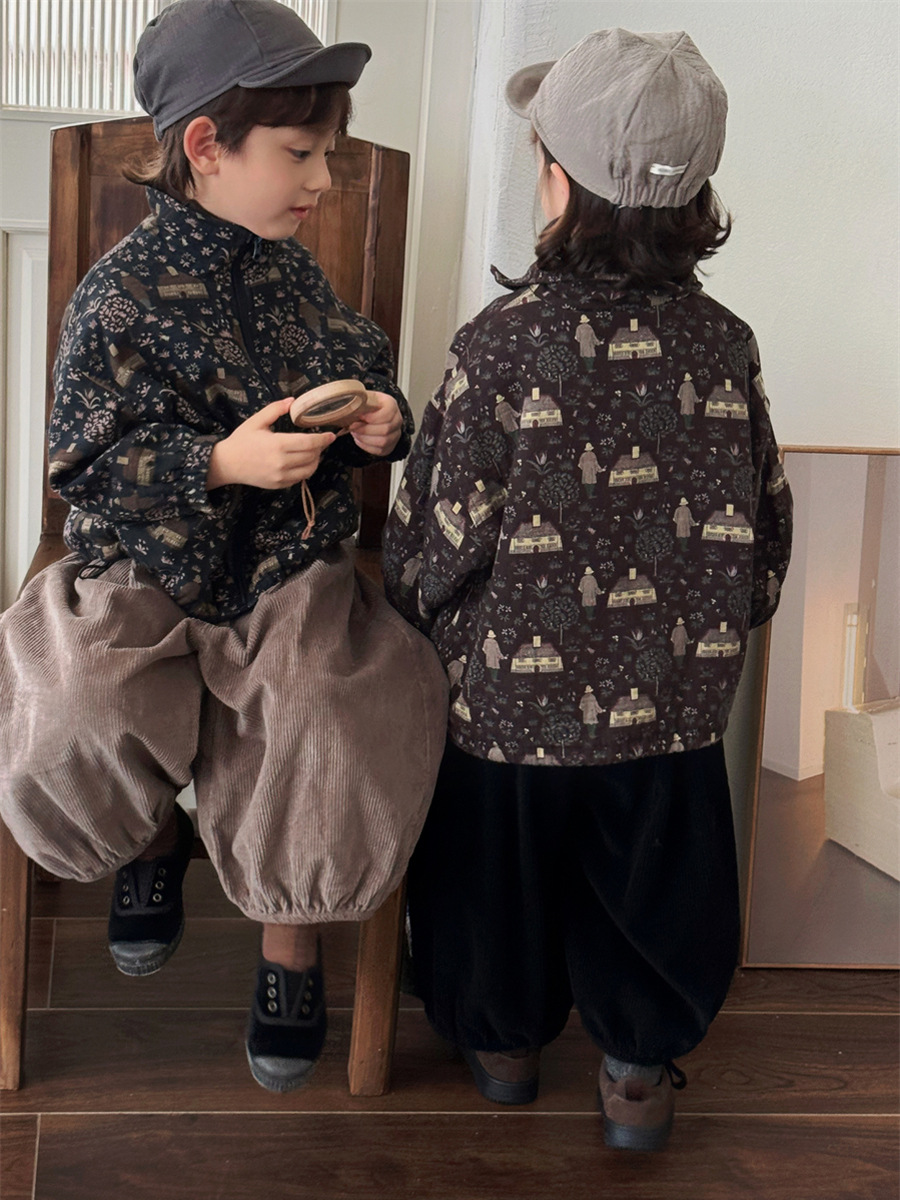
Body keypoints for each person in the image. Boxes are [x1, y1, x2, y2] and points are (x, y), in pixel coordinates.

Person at [0, 0, 447, 1094]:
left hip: (285, 568)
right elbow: (82, 462)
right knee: (79, 702)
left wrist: (381, 417)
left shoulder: (297, 278)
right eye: (300, 154)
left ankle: (291, 941)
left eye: (329, 154)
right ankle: (146, 837)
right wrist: (216, 463)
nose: (323, 181)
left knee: (325, 711)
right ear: (206, 146)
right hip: (141, 565)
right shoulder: (116, 295)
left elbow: (357, 363)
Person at [383, 28, 792, 1150]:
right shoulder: (727, 345)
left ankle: (504, 1046)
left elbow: (435, 535)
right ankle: (636, 1073)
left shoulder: (500, 346)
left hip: (509, 714)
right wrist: (726, 620)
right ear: (695, 196)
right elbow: (764, 529)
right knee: (655, 884)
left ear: (558, 184)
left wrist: (415, 614)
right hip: (672, 709)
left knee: (493, 878)